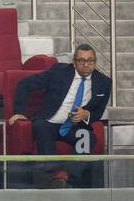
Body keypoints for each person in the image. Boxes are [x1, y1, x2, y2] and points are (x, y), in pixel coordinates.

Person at [8, 44, 111, 188]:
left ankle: (67, 177)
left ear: (95, 62)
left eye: (90, 61)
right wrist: (18, 111)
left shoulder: (104, 82)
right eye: (81, 60)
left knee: (87, 137)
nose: (86, 64)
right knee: (40, 126)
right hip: (50, 122)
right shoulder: (59, 72)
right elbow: (25, 83)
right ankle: (52, 173)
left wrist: (86, 114)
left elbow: (98, 112)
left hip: (74, 127)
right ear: (74, 62)